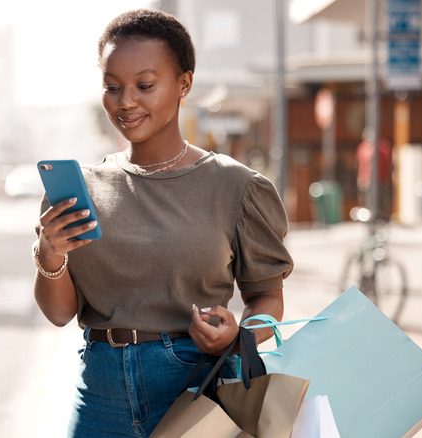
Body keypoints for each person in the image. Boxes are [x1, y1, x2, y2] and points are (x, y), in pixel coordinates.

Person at [32, 9, 293, 437]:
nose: (126, 101)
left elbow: (267, 300)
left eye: (145, 85)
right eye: (112, 87)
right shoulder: (83, 189)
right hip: (101, 397)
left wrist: (237, 336)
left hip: (196, 387)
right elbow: (60, 313)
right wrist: (50, 253)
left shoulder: (238, 187)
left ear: (184, 83)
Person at [356, 128, 393, 221]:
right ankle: (369, 217)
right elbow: (360, 163)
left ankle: (382, 217)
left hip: (381, 179)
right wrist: (361, 178)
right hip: (366, 179)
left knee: (381, 200)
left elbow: (389, 163)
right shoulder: (362, 147)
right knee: (367, 200)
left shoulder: (384, 146)